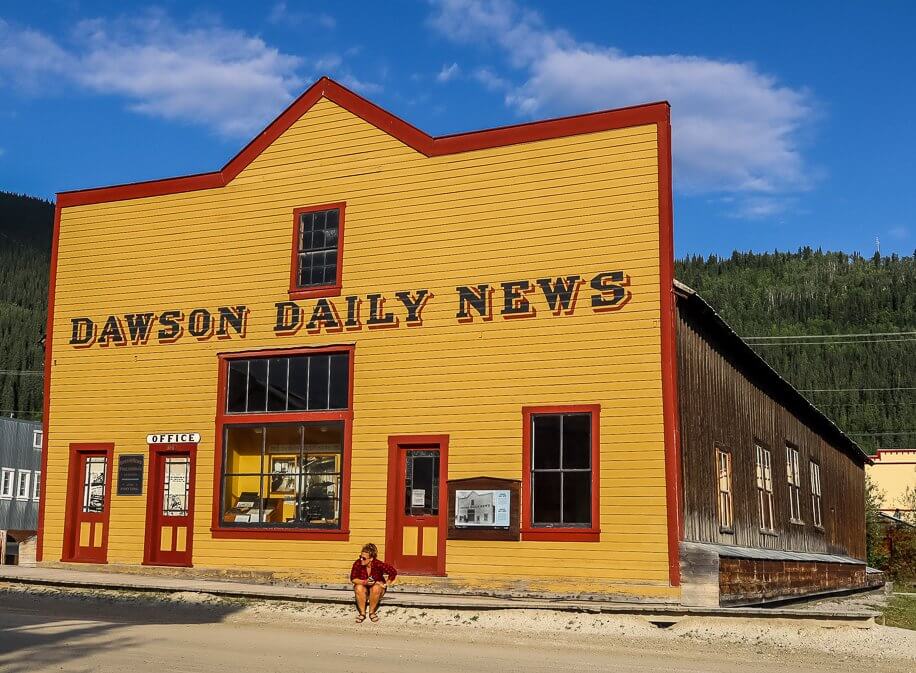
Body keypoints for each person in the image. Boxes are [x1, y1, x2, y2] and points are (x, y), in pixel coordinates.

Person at [350, 542, 397, 623]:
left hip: (376, 588)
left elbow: (393, 572)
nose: (361, 559)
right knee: (358, 587)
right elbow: (353, 579)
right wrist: (365, 582)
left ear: (371, 558)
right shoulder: (358, 563)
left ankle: (372, 612)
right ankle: (362, 613)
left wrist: (386, 584)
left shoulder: (378, 564)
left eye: (364, 558)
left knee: (376, 588)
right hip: (364, 587)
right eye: (360, 557)